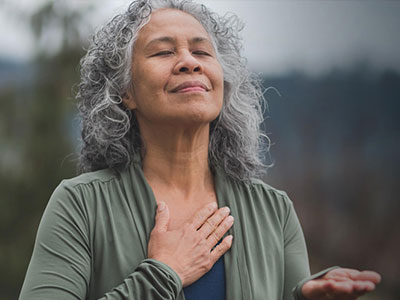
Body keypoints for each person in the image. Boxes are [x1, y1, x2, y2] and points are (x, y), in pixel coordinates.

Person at [19, 0, 381, 299]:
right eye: (163, 51)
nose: (189, 61)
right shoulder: (81, 205)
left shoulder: (274, 211)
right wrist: (163, 275)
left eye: (201, 51)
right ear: (124, 92)